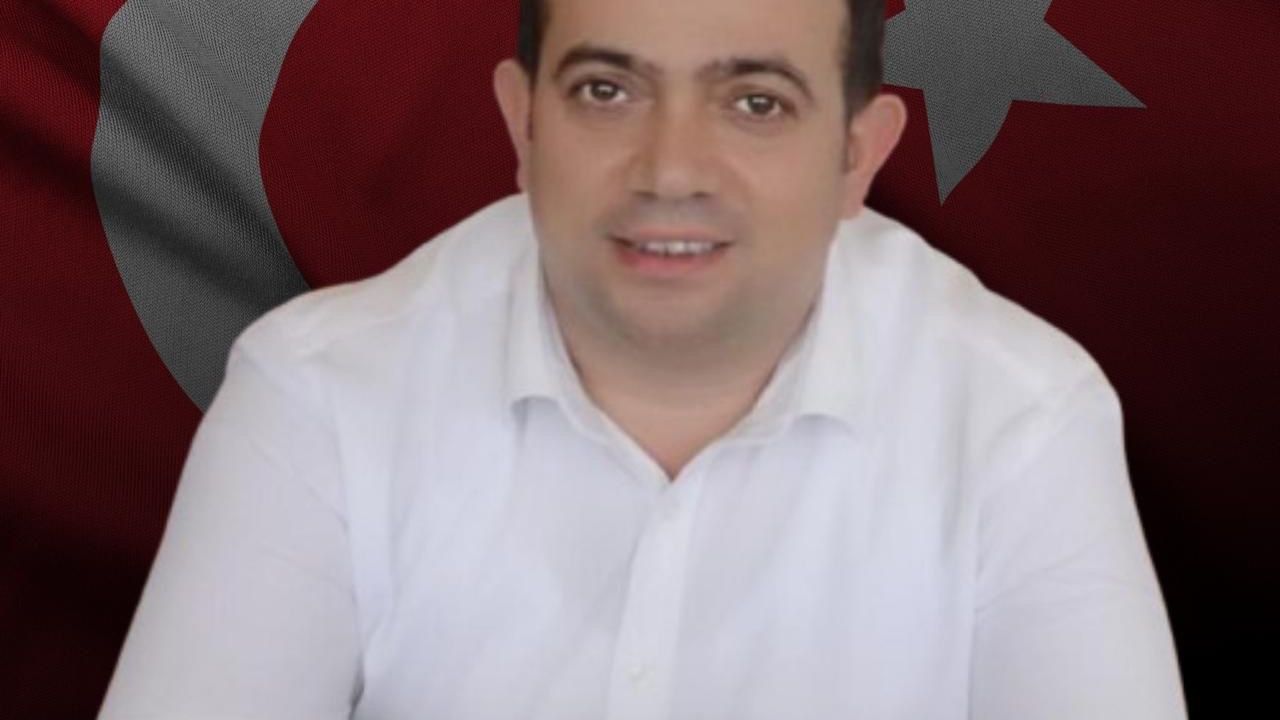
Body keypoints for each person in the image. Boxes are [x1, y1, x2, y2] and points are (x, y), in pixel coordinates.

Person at [98, 0, 1186, 718]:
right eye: (607, 91)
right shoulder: (318, 391)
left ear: (857, 155)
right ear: (522, 126)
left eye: (754, 103)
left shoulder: (1021, 417)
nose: (670, 170)